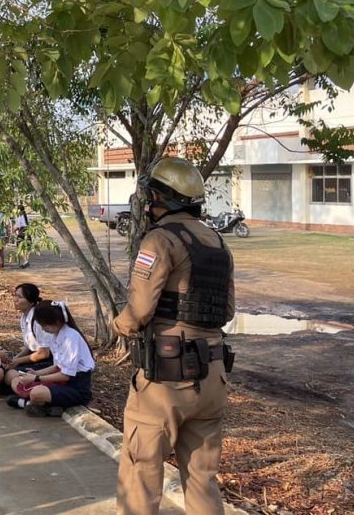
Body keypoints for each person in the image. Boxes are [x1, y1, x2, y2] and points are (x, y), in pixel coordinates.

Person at [111, 156, 235, 515]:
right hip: (213, 377)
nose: (149, 204)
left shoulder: (160, 240)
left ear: (162, 198)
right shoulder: (217, 243)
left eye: (152, 197)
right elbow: (227, 311)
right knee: (201, 480)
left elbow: (138, 312)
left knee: (140, 472)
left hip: (167, 378)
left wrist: (118, 326)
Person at [4, 301, 94, 417]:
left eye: (44, 326)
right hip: (60, 381)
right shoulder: (56, 335)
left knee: (37, 393)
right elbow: (57, 366)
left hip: (75, 386)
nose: (43, 329)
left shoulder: (71, 338)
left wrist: (36, 378)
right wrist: (36, 373)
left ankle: (28, 403)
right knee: (16, 381)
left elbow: (65, 375)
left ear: (56, 322)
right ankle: (36, 404)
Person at [6, 283, 53, 371]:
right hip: (36, 357)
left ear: (31, 302)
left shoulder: (38, 321)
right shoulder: (24, 317)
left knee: (12, 374)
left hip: (50, 361)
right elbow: (29, 348)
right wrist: (14, 360)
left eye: (19, 297)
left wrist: (18, 361)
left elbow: (44, 353)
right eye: (15, 295)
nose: (15, 299)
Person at [14, 204, 30, 269]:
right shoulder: (25, 215)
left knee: (20, 248)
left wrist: (14, 231)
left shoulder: (19, 216)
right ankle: (25, 261)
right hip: (28, 231)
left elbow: (18, 226)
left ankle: (25, 261)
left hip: (22, 232)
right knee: (26, 247)